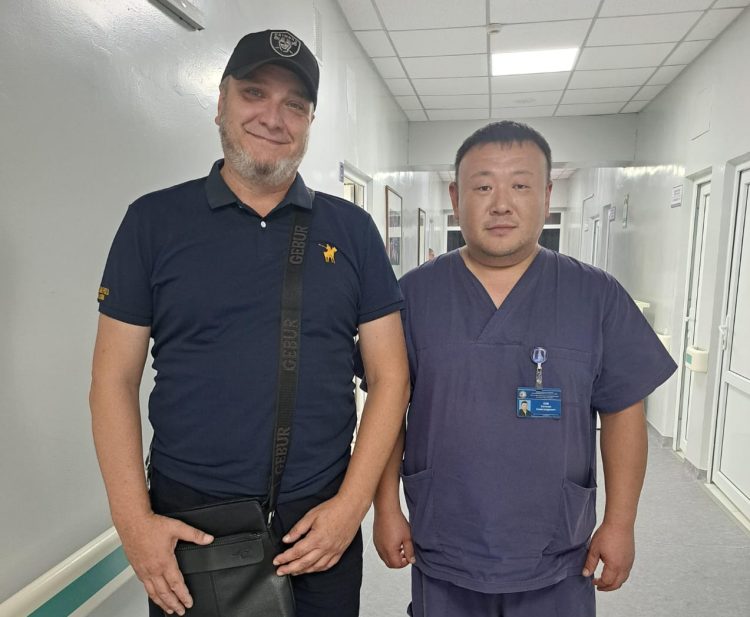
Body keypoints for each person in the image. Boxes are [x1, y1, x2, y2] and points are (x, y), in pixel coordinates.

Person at [90, 29, 409, 617]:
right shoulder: (153, 223)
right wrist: (133, 523)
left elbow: (391, 377)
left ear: (309, 122)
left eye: (295, 104)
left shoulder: (353, 231)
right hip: (194, 529)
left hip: (320, 523)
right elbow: (112, 380)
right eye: (254, 93)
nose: (273, 117)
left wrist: (352, 506)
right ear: (221, 102)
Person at [372, 121, 677, 617]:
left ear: (547, 195)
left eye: (520, 185)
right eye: (483, 187)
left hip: (557, 550)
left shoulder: (595, 295)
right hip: (445, 543)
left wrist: (620, 522)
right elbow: (387, 410)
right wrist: (385, 508)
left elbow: (624, 411)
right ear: (455, 198)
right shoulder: (412, 296)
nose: (501, 204)